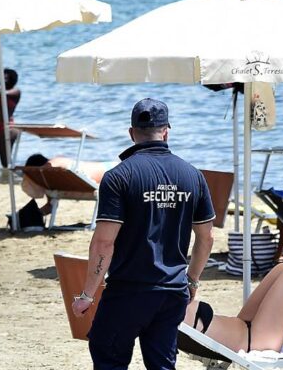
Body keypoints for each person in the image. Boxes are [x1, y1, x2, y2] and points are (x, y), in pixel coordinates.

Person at [72, 98, 215, 370]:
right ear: (166, 131)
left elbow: (104, 242)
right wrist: (192, 281)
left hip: (129, 290)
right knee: (162, 365)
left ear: (131, 132)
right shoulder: (192, 175)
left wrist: (87, 295)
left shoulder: (118, 176)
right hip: (172, 292)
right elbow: (206, 238)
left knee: (109, 358)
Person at [184, 263, 283, 357]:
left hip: (245, 325)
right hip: (254, 340)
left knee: (282, 269)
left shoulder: (168, 296)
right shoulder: (168, 305)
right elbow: (206, 239)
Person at [21, 153, 116, 216]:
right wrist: (32, 214)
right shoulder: (53, 171)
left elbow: (50, 206)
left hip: (108, 171)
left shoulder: (50, 169)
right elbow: (50, 206)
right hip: (104, 170)